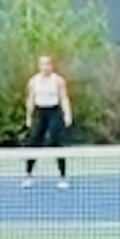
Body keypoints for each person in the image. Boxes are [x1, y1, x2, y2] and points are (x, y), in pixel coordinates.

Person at [23, 54, 73, 185]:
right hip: (40, 112)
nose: (45, 67)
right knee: (34, 142)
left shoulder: (58, 81)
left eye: (47, 64)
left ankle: (62, 176)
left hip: (54, 112)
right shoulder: (33, 81)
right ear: (39, 66)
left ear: (52, 66)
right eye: (42, 64)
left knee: (56, 141)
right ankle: (29, 175)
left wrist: (67, 114)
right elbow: (30, 100)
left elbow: (64, 98)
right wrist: (28, 117)